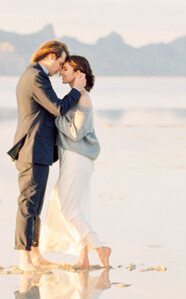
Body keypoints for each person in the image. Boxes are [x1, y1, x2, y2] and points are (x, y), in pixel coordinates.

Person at [8, 40, 86, 270]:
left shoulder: (34, 75)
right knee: (28, 204)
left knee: (36, 204)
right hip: (31, 149)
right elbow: (58, 107)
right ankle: (24, 258)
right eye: (60, 63)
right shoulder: (35, 77)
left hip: (38, 149)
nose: (59, 70)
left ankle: (34, 253)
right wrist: (77, 90)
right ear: (51, 56)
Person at [39, 55, 111, 269]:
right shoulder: (77, 96)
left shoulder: (82, 98)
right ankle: (84, 257)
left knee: (67, 207)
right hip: (75, 157)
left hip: (77, 157)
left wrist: (55, 116)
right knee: (76, 206)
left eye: (67, 69)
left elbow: (76, 132)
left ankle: (100, 248)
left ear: (79, 73)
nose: (62, 71)